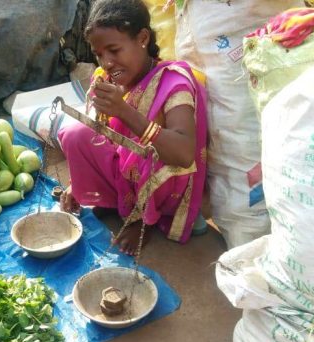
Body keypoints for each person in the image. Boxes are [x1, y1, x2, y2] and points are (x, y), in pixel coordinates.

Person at [58, 0, 208, 255]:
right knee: (77, 133)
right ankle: (113, 200)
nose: (106, 62)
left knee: (149, 153)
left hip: (164, 176)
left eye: (114, 50)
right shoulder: (109, 79)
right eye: (99, 54)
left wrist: (124, 112)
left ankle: (143, 220)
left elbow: (183, 154)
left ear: (142, 38)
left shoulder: (173, 82)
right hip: (129, 168)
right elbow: (103, 134)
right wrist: (79, 182)